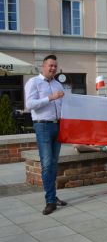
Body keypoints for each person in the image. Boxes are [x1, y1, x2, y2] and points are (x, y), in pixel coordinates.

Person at [24, 54, 67, 215]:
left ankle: (53, 196)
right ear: (43, 66)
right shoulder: (33, 82)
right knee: (47, 164)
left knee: (54, 164)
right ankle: (50, 200)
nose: (53, 68)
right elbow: (29, 105)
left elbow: (65, 104)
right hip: (43, 127)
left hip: (58, 126)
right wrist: (50, 98)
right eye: (50, 65)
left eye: (55, 66)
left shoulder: (58, 84)